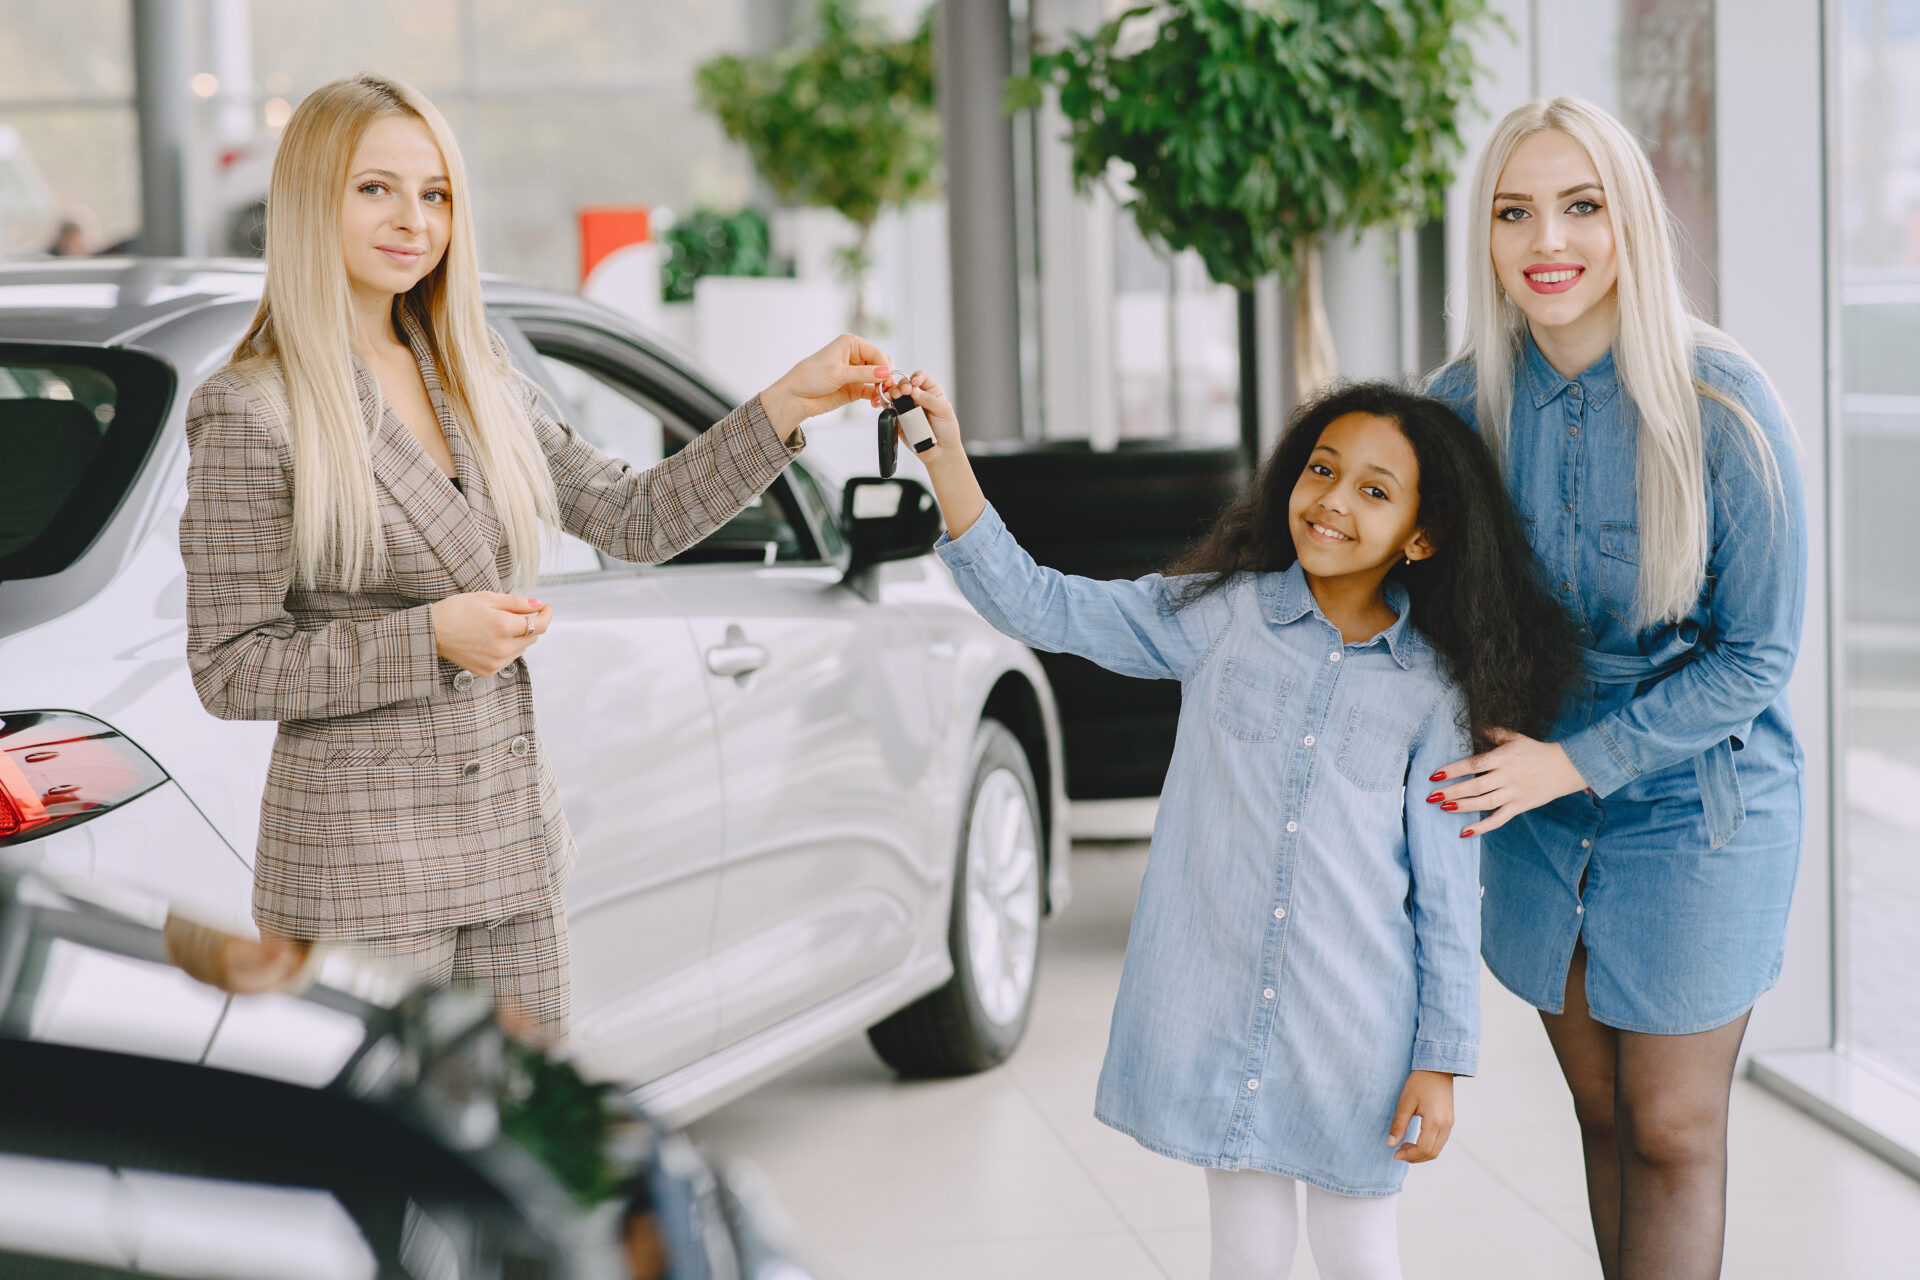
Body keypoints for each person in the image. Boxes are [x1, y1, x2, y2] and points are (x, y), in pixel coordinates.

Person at [179, 74, 894, 1041]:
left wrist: (786, 404)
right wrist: (431, 637)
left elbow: (639, 518)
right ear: (311, 198)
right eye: (376, 188)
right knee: (391, 1140)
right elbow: (230, 666)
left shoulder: (475, 374)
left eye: (435, 193)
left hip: (513, 859)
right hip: (359, 878)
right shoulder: (251, 409)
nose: (413, 220)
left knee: (526, 1132)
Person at [889, 371, 1579, 1279]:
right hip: (1220, 1021)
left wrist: (1441, 1062)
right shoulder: (1220, 617)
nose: (1333, 501)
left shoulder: (1435, 693)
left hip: (1357, 1035)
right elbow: (1042, 605)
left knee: (1359, 1254)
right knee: (1244, 1254)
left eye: (1375, 491)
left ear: (1422, 536)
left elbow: (1447, 899)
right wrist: (942, 455)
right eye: (1322, 469)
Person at [1424, 97, 1806, 1279]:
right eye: (1515, 212)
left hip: (1699, 799)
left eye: (1581, 205)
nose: (1549, 240)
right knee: (1602, 1113)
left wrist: (1577, 760)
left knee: (1671, 1124)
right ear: (1487, 236)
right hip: (1535, 808)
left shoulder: (1724, 404)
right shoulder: (1457, 411)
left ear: (1628, 217)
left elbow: (1759, 655)